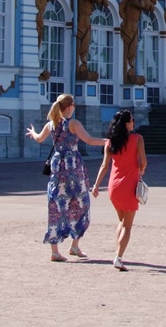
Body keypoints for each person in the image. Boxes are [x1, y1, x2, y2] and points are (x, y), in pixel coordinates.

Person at [25, 94, 106, 262]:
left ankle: (55, 251)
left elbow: (39, 138)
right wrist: (108, 141)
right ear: (69, 107)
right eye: (74, 104)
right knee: (81, 203)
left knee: (56, 204)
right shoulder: (74, 124)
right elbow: (89, 140)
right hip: (73, 166)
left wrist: (33, 132)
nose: (74, 107)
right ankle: (74, 245)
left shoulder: (51, 124)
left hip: (57, 166)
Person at [93, 109, 148, 271]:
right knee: (127, 226)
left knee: (121, 221)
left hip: (113, 186)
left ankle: (117, 252)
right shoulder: (137, 139)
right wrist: (140, 168)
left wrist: (96, 185)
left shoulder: (110, 143)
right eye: (132, 120)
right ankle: (118, 257)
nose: (134, 123)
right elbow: (143, 161)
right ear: (127, 124)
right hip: (129, 186)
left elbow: (104, 166)